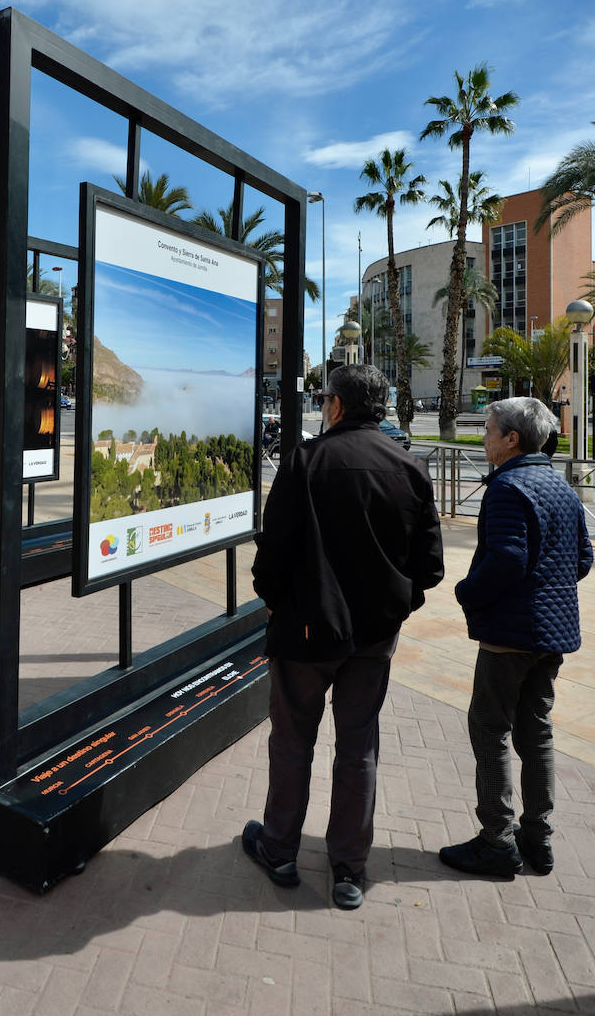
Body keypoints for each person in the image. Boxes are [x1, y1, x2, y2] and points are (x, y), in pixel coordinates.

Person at [245, 364, 444, 909]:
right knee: (359, 748)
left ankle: (280, 849)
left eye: (324, 397)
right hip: (373, 639)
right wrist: (395, 606)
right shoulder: (409, 467)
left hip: (306, 634)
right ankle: (349, 869)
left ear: (335, 405)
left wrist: (275, 602)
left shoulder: (305, 461)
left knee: (292, 741)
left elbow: (273, 552)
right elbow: (429, 566)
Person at [439, 397, 592, 878]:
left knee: (490, 729)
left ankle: (497, 841)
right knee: (537, 732)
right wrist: (547, 589)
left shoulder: (508, 486)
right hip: (551, 635)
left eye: (488, 430)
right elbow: (583, 558)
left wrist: (467, 592)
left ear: (512, 438)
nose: (483, 438)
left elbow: (507, 558)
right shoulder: (560, 486)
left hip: (511, 635)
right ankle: (537, 839)